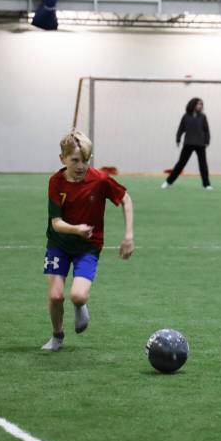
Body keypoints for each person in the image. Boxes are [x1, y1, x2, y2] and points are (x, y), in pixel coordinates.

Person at [42, 131, 134, 351]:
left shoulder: (100, 180)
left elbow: (125, 199)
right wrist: (76, 229)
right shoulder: (55, 182)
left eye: (86, 160)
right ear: (62, 159)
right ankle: (57, 336)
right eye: (75, 160)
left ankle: (80, 305)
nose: (81, 166)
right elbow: (56, 223)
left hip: (88, 247)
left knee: (78, 295)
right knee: (56, 296)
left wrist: (128, 235)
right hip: (59, 244)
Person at [162, 98, 212, 191]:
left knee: (203, 164)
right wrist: (178, 138)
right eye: (198, 104)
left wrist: (207, 140)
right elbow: (181, 129)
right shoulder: (186, 116)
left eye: (201, 104)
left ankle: (206, 184)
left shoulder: (203, 117)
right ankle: (168, 182)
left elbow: (206, 130)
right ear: (193, 105)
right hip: (188, 143)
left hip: (200, 144)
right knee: (181, 163)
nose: (200, 106)